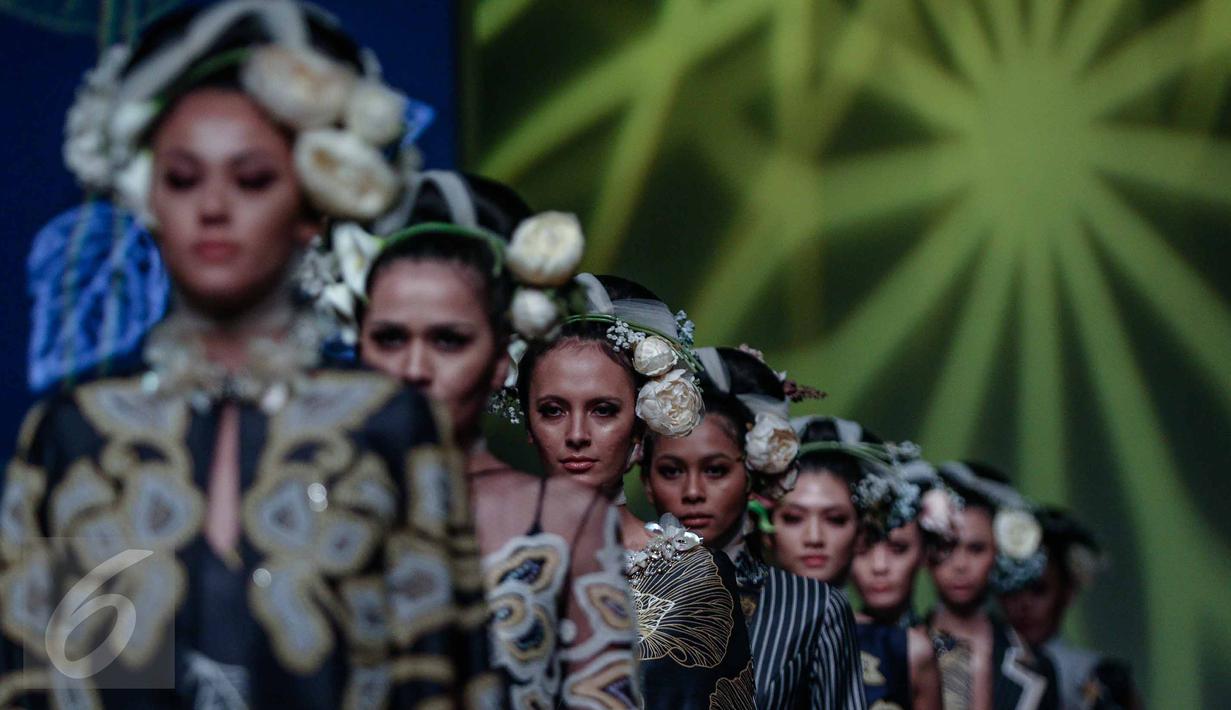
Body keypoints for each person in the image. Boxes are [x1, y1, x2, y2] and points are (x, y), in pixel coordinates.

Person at [0, 3, 495, 707]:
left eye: (252, 178)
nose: (213, 206)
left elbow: (441, 671)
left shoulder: (388, 426)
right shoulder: (76, 434)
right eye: (182, 177)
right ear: (146, 199)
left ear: (311, 201)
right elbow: (44, 684)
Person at [348, 172, 642, 708]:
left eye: (448, 340)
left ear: (497, 360)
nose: (414, 369)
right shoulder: (294, 500)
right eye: (390, 338)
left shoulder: (567, 520)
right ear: (358, 343)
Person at [515, 275, 755, 707]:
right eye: (553, 410)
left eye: (603, 410)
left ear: (639, 429)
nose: (576, 435)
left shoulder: (695, 577)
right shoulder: (483, 562)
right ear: (529, 425)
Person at [641, 345, 866, 709]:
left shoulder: (813, 608)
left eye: (715, 470)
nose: (693, 492)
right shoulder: (611, 592)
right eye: (672, 471)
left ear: (750, 474)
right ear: (646, 480)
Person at [927, 461, 1059, 710]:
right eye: (947, 546)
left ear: (998, 553)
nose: (960, 564)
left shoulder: (1037, 664)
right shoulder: (900, 647)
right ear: (925, 551)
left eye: (976, 549)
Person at [843, 437, 956, 710]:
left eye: (898, 548)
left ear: (924, 553)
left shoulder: (955, 656)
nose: (879, 565)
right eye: (864, 548)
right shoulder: (825, 638)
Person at [1000, 508, 1141, 710]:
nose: (1024, 603)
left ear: (1068, 591)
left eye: (1039, 590)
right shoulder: (977, 659)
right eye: (1012, 588)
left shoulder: (1099, 676)